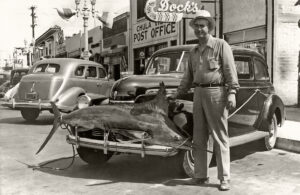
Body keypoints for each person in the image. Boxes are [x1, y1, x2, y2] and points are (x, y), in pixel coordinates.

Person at [171, 10, 239, 191]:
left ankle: (224, 177)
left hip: (217, 92)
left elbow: (230, 71)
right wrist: (178, 93)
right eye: (197, 26)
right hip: (198, 93)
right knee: (199, 136)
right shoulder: (193, 51)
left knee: (219, 136)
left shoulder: (220, 45)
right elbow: (187, 77)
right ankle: (200, 175)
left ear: (209, 27)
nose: (200, 29)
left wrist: (232, 92)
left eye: (203, 25)